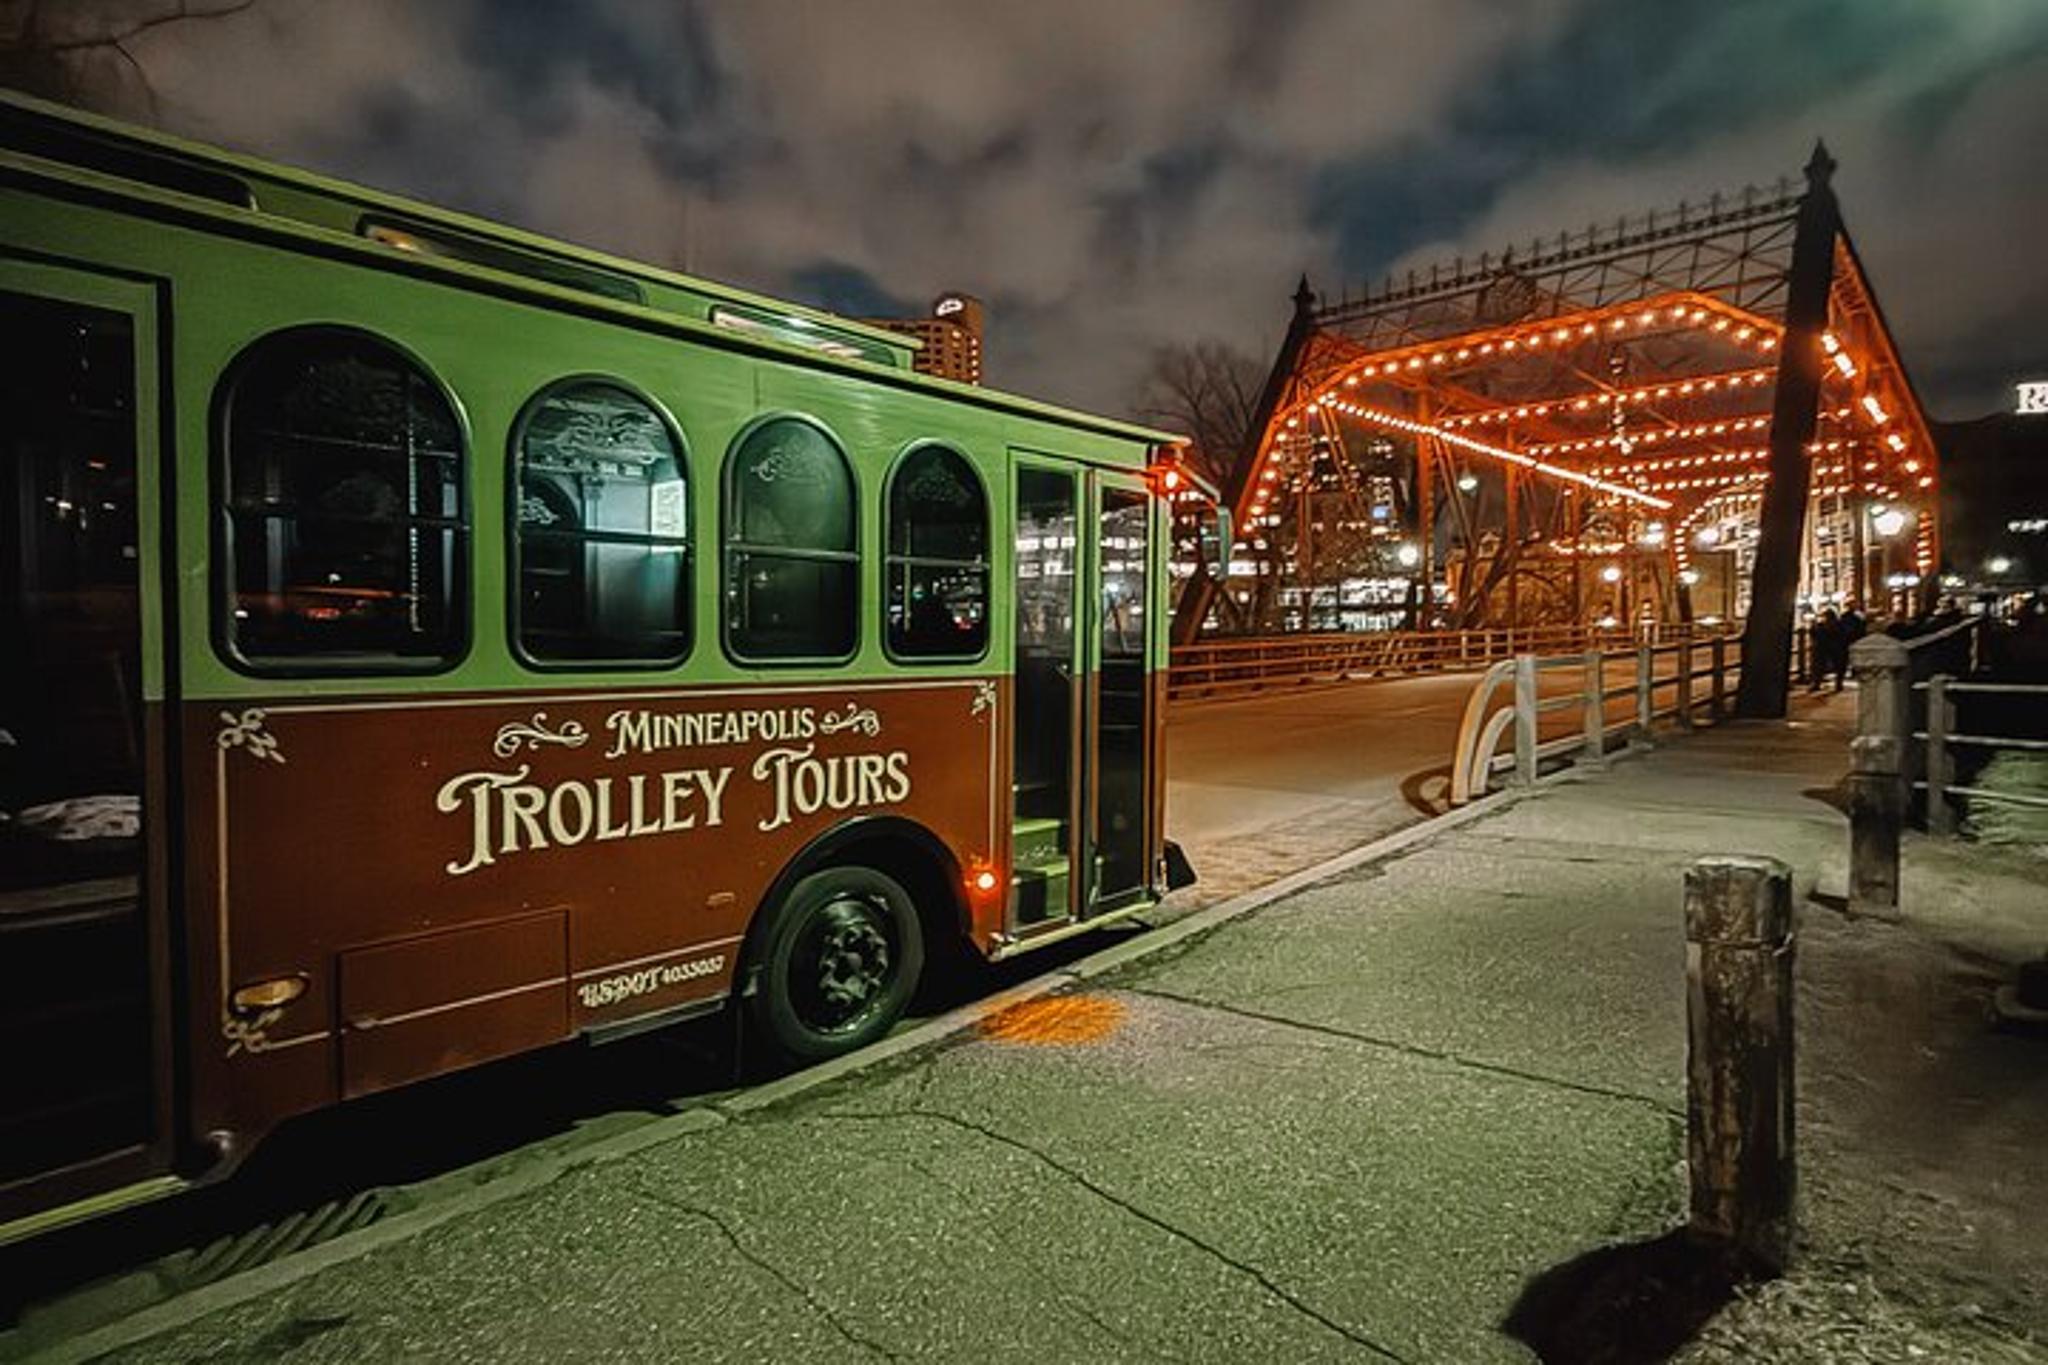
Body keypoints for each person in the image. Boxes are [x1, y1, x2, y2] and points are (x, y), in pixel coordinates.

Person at [1808, 608, 1842, 691]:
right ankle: (1837, 684)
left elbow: (1814, 634)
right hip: (1831, 648)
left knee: (1820, 666)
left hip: (1827, 647)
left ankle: (1817, 683)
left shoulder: (1826, 625)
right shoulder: (1836, 624)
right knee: (1836, 667)